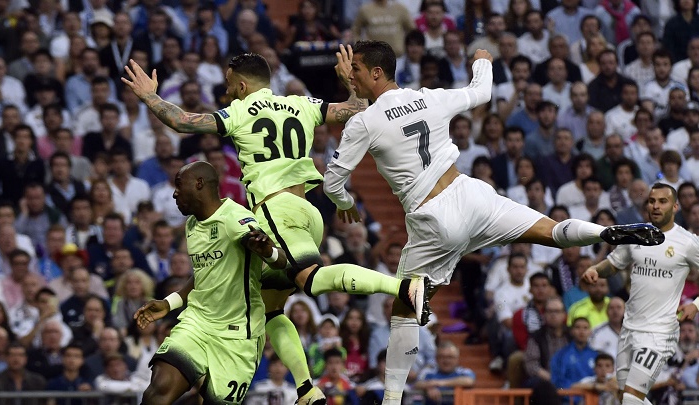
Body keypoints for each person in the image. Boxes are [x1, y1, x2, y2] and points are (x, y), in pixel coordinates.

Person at [319, 39, 665, 404]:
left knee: (405, 308)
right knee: (550, 232)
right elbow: (482, 91)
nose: (349, 74)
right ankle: (605, 232)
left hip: (433, 218)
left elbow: (332, 182)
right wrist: (483, 58)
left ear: (376, 72)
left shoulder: (364, 122)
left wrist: (345, 203)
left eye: (354, 69)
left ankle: (392, 400)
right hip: (472, 196)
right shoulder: (429, 97)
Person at [123, 49, 430, 404]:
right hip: (308, 210)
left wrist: (149, 96)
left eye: (228, 85)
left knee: (309, 277)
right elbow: (356, 109)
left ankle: (404, 288)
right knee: (270, 309)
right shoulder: (301, 104)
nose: (228, 92)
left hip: (275, 210)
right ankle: (306, 389)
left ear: (241, 84)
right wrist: (352, 86)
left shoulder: (239, 111)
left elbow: (184, 121)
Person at [132, 161, 279, 404]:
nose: (174, 193)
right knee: (157, 391)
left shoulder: (235, 218)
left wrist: (267, 250)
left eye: (179, 185)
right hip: (198, 323)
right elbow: (204, 274)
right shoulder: (191, 225)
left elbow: (279, 260)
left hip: (237, 335)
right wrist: (169, 304)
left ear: (199, 184)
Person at [583, 183, 699, 405]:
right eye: (651, 201)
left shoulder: (687, 242)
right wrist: (595, 270)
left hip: (659, 331)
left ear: (675, 207)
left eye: (662, 201)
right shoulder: (636, 234)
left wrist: (696, 305)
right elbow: (614, 264)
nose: (655, 206)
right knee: (624, 395)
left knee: (630, 397)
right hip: (629, 328)